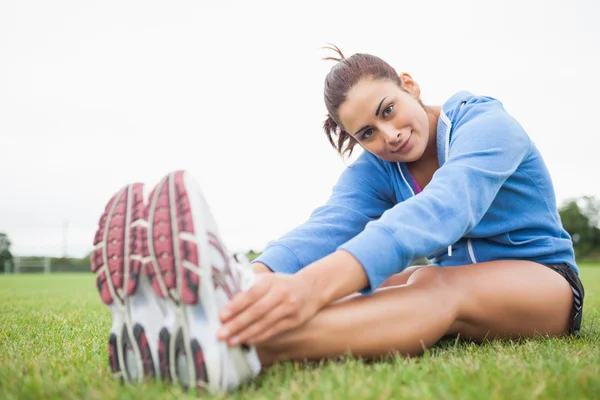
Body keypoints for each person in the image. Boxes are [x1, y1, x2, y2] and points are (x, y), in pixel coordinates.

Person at [90, 46, 584, 394]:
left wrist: (310, 290)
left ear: (409, 85)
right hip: (469, 277)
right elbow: (330, 226)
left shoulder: (486, 125)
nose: (388, 135)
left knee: (431, 283)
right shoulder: (380, 166)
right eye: (368, 131)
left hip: (543, 284)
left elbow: (443, 210)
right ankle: (220, 314)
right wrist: (255, 280)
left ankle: (244, 349)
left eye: (389, 110)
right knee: (370, 282)